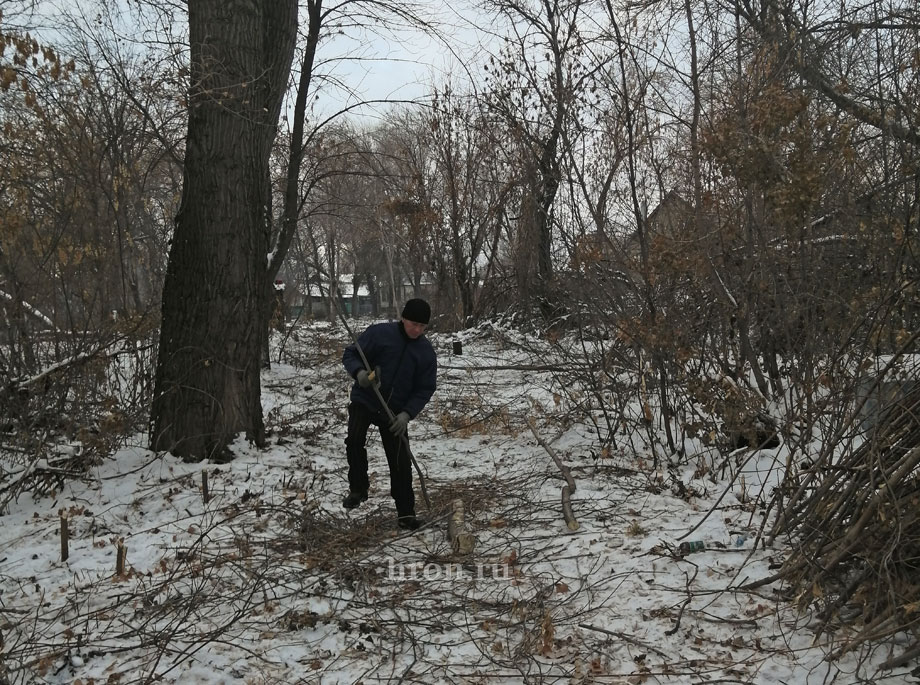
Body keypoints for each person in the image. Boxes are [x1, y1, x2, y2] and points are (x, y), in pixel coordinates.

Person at [341, 298, 437, 530]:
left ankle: (406, 514)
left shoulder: (425, 353)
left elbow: (425, 388)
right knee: (354, 440)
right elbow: (351, 354)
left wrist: (406, 414)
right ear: (403, 318)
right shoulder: (379, 334)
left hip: (394, 411)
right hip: (366, 399)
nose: (417, 330)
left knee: (400, 462)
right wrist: (360, 374)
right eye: (413, 324)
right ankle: (358, 489)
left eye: (422, 327)